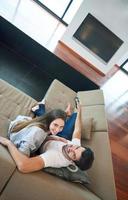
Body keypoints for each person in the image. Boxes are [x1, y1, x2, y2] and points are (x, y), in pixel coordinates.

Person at [0, 103, 94, 173]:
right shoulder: (78, 149)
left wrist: (8, 143)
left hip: (46, 139)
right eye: (76, 147)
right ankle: (66, 114)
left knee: (53, 122)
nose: (71, 148)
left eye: (73, 155)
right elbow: (78, 130)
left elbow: (23, 166)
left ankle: (43, 109)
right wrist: (80, 111)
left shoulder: (55, 158)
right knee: (70, 120)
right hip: (56, 136)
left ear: (73, 162)